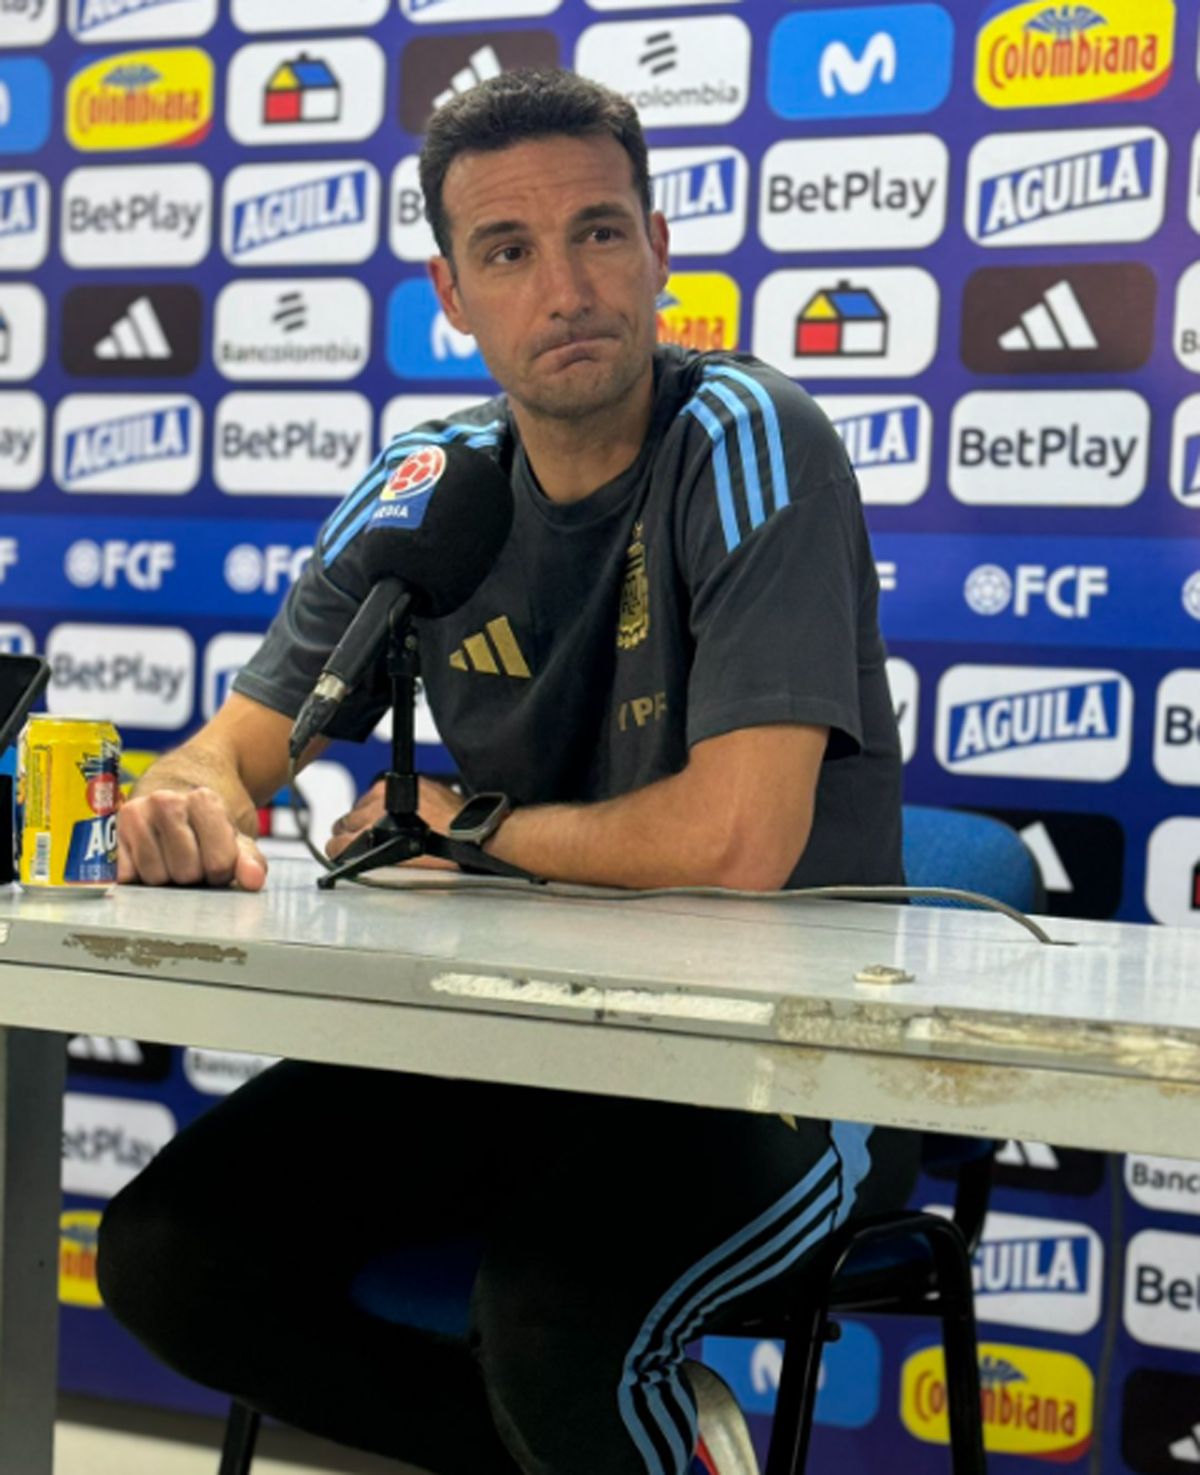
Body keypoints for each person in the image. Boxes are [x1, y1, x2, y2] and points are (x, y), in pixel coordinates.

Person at [98, 69, 917, 1475]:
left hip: (786, 1068)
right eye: (510, 251)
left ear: (659, 248)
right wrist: (186, 803)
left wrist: (461, 825)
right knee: (172, 1254)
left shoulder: (749, 440)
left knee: (557, 1315)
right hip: (521, 1054)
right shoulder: (429, 481)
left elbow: (740, 840)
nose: (567, 286)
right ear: (452, 294)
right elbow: (237, 746)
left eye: (600, 233)